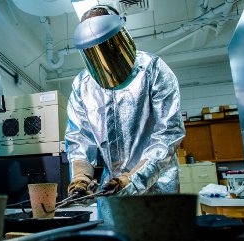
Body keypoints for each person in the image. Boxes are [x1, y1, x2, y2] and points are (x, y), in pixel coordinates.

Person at [65, 5, 186, 225]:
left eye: (107, 47)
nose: (104, 60)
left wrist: (132, 179)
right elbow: (79, 140)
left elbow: (168, 134)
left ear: (121, 36)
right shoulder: (83, 85)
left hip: (157, 190)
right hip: (112, 193)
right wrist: (81, 178)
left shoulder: (154, 70)